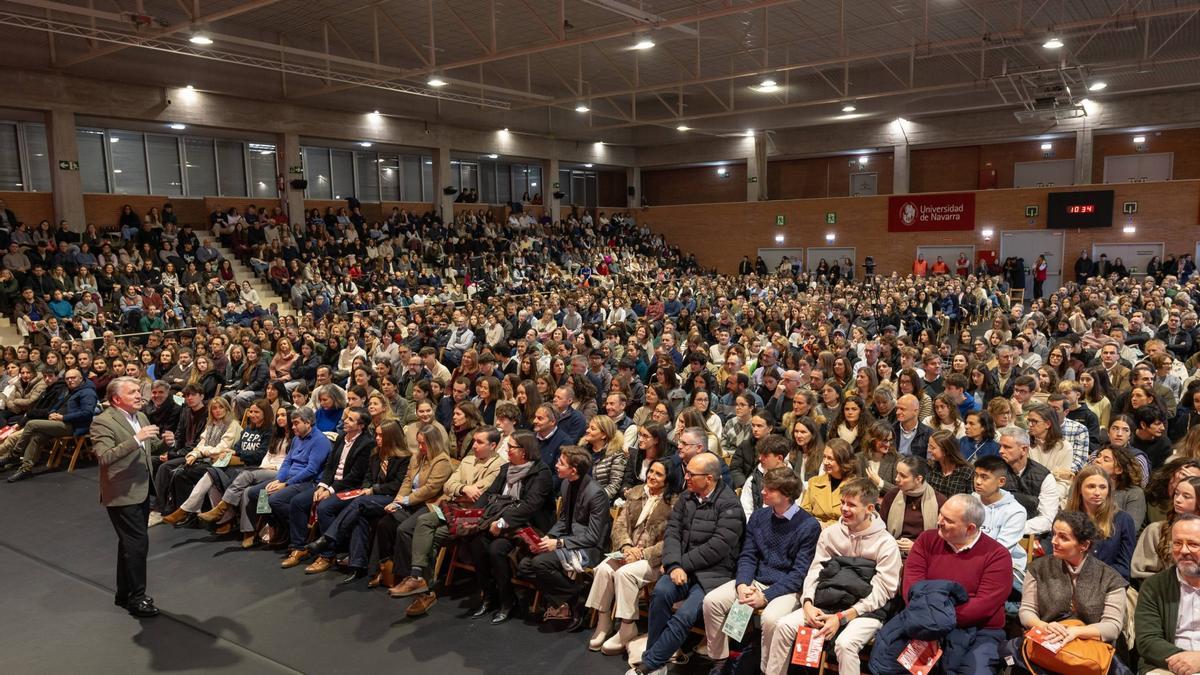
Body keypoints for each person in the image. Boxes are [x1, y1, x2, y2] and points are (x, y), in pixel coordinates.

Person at [768, 478, 902, 675]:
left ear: (870, 508)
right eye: (842, 503)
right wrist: (807, 603)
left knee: (845, 644)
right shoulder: (831, 533)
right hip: (826, 602)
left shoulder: (885, 543)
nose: (844, 509)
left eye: (851, 505)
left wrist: (843, 617)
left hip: (866, 610)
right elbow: (815, 571)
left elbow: (884, 591)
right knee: (784, 625)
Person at [870, 494, 1013, 675]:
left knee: (974, 671)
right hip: (921, 621)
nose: (939, 521)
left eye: (948, 520)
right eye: (940, 514)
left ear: (970, 528)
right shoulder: (926, 540)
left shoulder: (997, 555)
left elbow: (983, 605)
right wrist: (932, 620)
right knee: (889, 661)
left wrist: (939, 618)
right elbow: (911, 588)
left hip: (979, 630)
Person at [629, 453, 744, 675]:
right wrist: (673, 564)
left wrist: (681, 565)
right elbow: (672, 532)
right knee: (660, 594)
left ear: (709, 478)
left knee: (685, 615)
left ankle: (649, 664)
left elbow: (717, 548)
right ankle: (657, 662)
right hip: (682, 568)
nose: (686, 477)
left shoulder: (730, 505)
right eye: (687, 472)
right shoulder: (686, 496)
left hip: (714, 574)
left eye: (692, 474)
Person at [701, 466, 819, 672]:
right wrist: (742, 584)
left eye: (769, 489)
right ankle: (720, 659)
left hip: (787, 587)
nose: (763, 492)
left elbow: (799, 574)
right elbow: (748, 555)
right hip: (755, 580)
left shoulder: (808, 526)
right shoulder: (759, 517)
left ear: (787, 495)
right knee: (712, 601)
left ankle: (768, 670)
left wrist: (765, 596)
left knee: (771, 618)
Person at [1014, 511, 1129, 673]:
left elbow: (1112, 626)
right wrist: (1043, 626)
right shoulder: (1038, 568)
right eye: (1054, 534)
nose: (1054, 541)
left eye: (1063, 537)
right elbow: (1026, 611)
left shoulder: (1110, 578)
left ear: (1084, 545)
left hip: (1090, 650)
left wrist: (1075, 632)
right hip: (1047, 642)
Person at [90, 376, 163, 618]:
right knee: (137, 544)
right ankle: (137, 598)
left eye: (138, 391)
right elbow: (104, 457)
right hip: (122, 492)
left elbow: (148, 448)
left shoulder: (140, 417)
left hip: (141, 488)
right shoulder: (102, 422)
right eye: (132, 392)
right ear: (116, 399)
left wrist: (163, 443)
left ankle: (124, 594)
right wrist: (136, 439)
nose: (139, 395)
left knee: (129, 544)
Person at [465, 430, 555, 624]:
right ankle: (489, 596)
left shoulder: (541, 472)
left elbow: (530, 505)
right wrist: (471, 516)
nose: (507, 450)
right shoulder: (506, 468)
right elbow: (489, 495)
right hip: (499, 522)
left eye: (511, 447)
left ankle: (507, 601)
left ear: (524, 451)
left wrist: (503, 522)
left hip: (528, 525)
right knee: (475, 542)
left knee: (497, 549)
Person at [587, 459, 673, 655]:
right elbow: (619, 525)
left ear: (668, 479)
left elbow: (672, 540)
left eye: (658, 474)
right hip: (629, 551)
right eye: (651, 471)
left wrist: (642, 553)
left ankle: (627, 626)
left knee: (625, 574)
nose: (651, 476)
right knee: (602, 569)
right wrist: (626, 546)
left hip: (653, 558)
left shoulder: (675, 501)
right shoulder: (636, 492)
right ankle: (604, 621)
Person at [518, 445, 611, 628]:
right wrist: (549, 537)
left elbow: (593, 536)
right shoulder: (567, 483)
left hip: (589, 549)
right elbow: (564, 519)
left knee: (539, 563)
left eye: (561, 462)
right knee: (524, 565)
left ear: (573, 470)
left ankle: (569, 601)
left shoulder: (597, 494)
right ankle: (575, 596)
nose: (556, 465)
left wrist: (559, 543)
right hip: (569, 541)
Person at [371, 423, 453, 615]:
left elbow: (430, 489)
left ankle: (415, 578)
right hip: (411, 502)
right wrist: (398, 501)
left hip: (429, 504)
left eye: (423, 444)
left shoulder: (442, 461)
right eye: (418, 443)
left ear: (433, 443)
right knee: (385, 522)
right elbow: (407, 481)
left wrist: (405, 500)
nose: (420, 447)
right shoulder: (418, 457)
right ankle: (387, 570)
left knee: (405, 529)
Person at [278, 407, 373, 569]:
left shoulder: (366, 443)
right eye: (346, 418)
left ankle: (327, 555)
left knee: (320, 507)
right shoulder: (341, 437)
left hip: (345, 487)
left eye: (350, 419)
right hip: (291, 478)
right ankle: (295, 544)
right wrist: (280, 479)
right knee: (259, 494)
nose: (345, 421)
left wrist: (328, 489)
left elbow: (354, 476)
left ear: (361, 425)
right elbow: (329, 466)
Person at [244, 407, 332, 553]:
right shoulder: (297, 438)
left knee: (274, 500)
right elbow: (287, 463)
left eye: (296, 423)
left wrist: (285, 484)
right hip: (290, 479)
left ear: (308, 422)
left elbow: (311, 470)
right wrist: (279, 480)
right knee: (255, 493)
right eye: (292, 424)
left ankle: (297, 528)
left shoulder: (320, 441)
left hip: (308, 482)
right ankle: (278, 525)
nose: (292, 427)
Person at [0, 368, 95, 482]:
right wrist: (52, 413)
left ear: (81, 378)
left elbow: (87, 413)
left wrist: (63, 417)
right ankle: (25, 469)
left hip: (72, 426)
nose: (70, 380)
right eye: (67, 378)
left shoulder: (88, 392)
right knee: (36, 437)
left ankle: (14, 454)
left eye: (73, 378)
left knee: (31, 424)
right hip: (59, 422)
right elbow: (57, 405)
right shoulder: (71, 390)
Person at [1134, 514, 1200, 675]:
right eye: (1177, 543)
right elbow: (1147, 640)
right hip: (1166, 664)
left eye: (1193, 544)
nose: (1184, 551)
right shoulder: (1154, 586)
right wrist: (1183, 660)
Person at [1066, 464, 1137, 580]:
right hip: (1069, 582)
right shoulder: (1065, 519)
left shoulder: (1123, 520)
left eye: (1102, 487)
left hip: (1108, 585)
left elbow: (1124, 567)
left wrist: (1094, 578)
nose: (1097, 492)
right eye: (1091, 486)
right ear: (1079, 489)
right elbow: (1057, 559)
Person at [973, 455, 1029, 591]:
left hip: (1004, 567)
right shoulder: (970, 501)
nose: (978, 481)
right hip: (970, 561)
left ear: (1001, 481)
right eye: (976, 475)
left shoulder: (1016, 511)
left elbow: (1000, 552)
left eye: (984, 477)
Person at [1133, 475, 1200, 580]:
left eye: (1186, 496)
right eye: (1176, 494)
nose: (1178, 500)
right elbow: (1142, 573)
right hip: (1163, 593)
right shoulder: (1156, 531)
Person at [998, 425, 1060, 535]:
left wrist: (1015, 528)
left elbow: (1047, 518)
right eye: (1000, 446)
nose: (1001, 451)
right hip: (996, 530)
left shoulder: (1044, 477)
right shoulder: (995, 471)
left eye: (1007, 447)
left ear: (1024, 449)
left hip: (1032, 533)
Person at [881, 456, 946, 555]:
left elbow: (944, 538)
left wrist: (916, 546)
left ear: (918, 479)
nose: (896, 479)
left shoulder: (939, 501)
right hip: (893, 550)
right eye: (897, 473)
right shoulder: (891, 496)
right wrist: (892, 544)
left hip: (926, 553)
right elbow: (881, 530)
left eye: (903, 476)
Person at [800, 438, 857, 527]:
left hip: (842, 534)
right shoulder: (814, 482)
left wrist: (825, 525)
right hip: (814, 531)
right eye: (824, 457)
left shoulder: (856, 487)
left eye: (830, 458)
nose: (825, 462)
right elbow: (803, 513)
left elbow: (855, 519)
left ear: (842, 461)